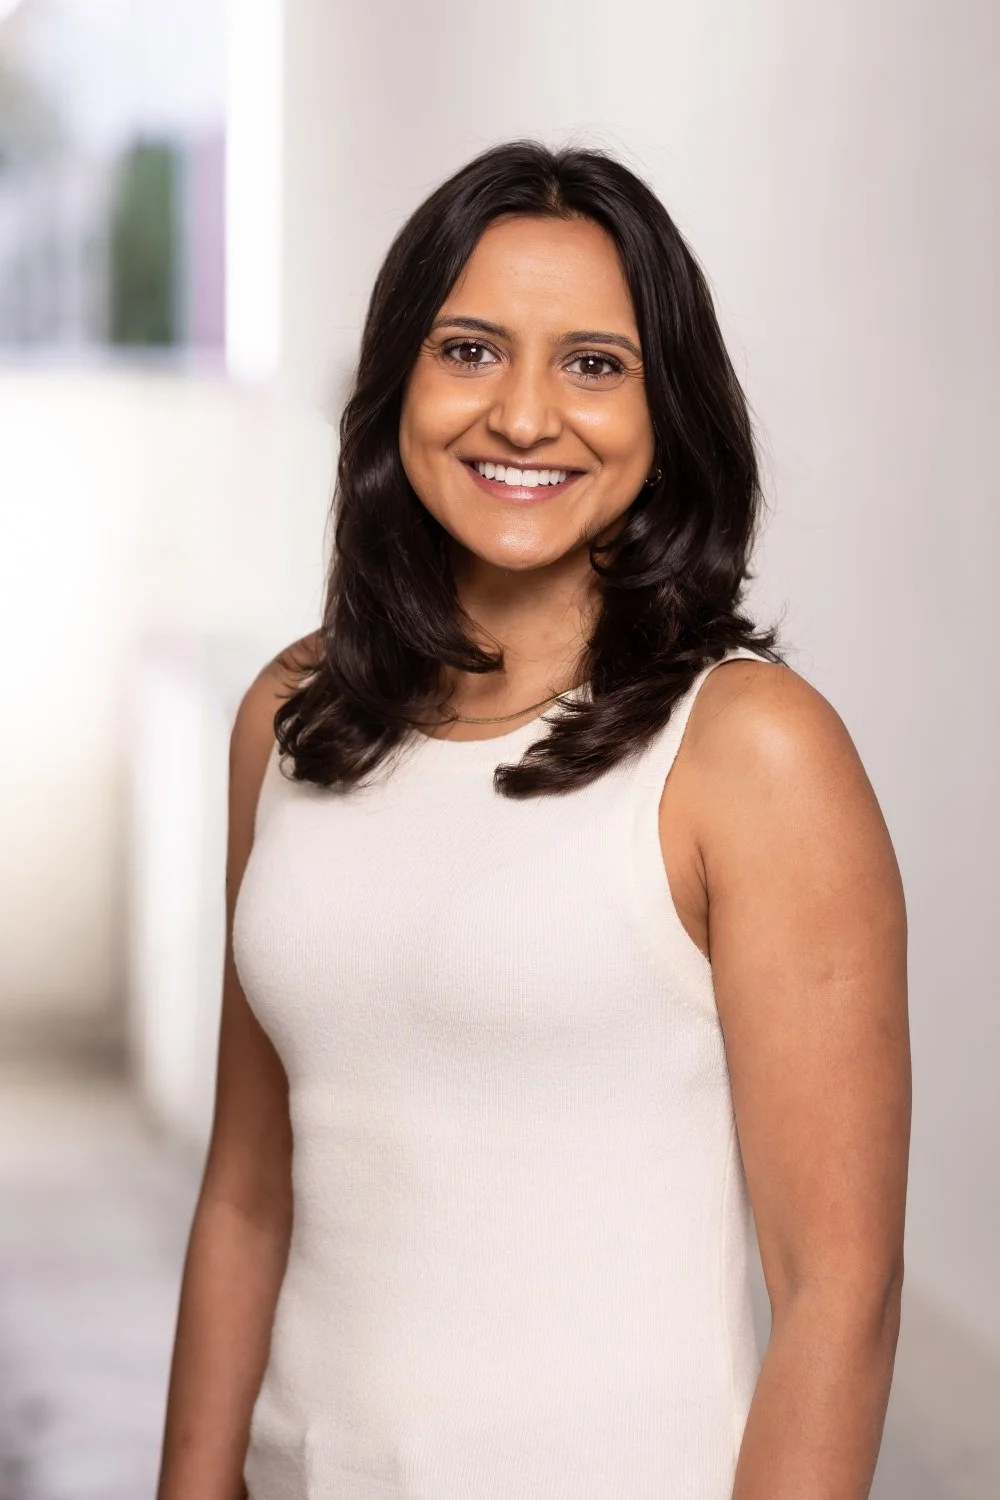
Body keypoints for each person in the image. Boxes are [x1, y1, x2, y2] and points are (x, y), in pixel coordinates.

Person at [156, 141, 910, 1500]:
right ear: (399, 383)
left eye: (593, 363)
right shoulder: (290, 717)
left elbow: (835, 1290)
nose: (522, 415)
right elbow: (245, 1197)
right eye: (470, 349)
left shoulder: (750, 753)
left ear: (666, 408)